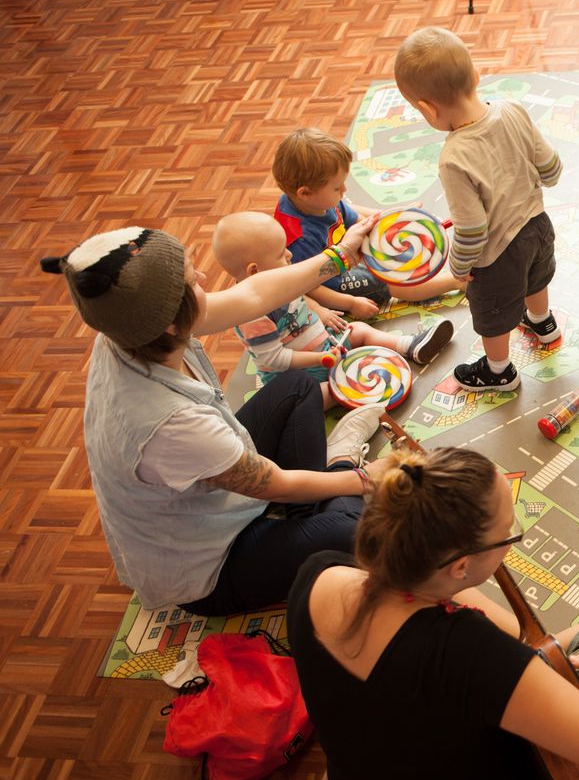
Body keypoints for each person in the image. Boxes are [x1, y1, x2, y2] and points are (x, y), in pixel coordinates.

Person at [287, 445, 579, 780]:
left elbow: (512, 648)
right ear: (461, 566)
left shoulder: (320, 571)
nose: (509, 541)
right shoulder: (464, 649)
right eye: (507, 534)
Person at [41, 219, 396, 616]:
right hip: (210, 569)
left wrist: (341, 255)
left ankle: (320, 507)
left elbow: (254, 294)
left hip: (220, 498)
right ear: (175, 319)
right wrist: (364, 477)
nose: (206, 277)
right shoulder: (168, 424)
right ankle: (339, 469)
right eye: (194, 281)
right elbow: (273, 484)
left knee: (296, 386)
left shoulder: (133, 326)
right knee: (355, 531)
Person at [395, 26, 564, 392]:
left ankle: (498, 370)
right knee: (537, 278)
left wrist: (459, 270)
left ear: (426, 108)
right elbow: (551, 169)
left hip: (497, 255)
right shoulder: (513, 109)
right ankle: (543, 322)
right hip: (538, 226)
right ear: (475, 75)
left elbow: (472, 230)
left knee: (492, 313)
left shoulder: (453, 158)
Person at [213, 211, 453, 405]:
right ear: (254, 271)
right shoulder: (252, 316)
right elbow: (274, 359)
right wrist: (320, 358)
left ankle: (409, 346)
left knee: (358, 330)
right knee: (314, 397)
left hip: (328, 346)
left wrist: (320, 310)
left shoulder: (278, 281)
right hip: (300, 375)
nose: (289, 254)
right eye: (280, 253)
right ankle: (347, 389)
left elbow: (303, 296)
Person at [271, 127, 461, 316]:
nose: (344, 189)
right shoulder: (298, 239)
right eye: (337, 188)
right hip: (334, 281)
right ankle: (456, 282)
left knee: (383, 253)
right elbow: (309, 288)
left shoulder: (315, 200)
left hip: (344, 252)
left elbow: (350, 212)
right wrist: (350, 303)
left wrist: (388, 220)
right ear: (305, 193)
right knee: (390, 279)